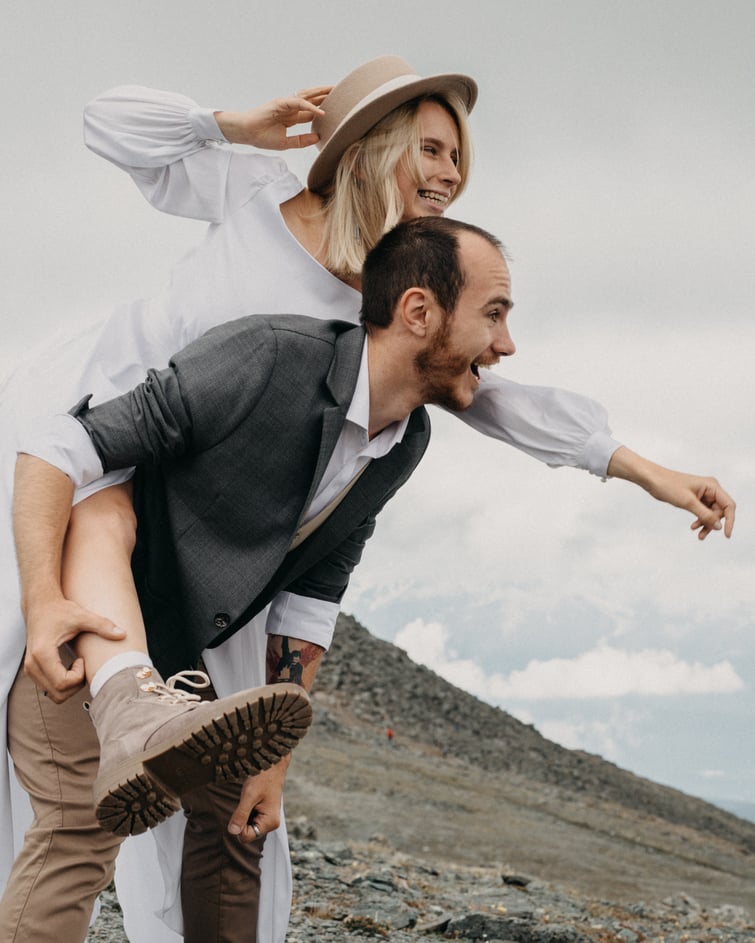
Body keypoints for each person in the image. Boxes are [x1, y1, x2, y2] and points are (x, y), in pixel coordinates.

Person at [0, 55, 734, 943]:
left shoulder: (384, 309)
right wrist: (233, 123)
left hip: (217, 520)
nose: (449, 171)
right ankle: (117, 718)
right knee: (69, 770)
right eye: (429, 146)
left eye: (459, 158)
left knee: (233, 807)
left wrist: (639, 468)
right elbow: (107, 123)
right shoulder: (258, 192)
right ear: (367, 143)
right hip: (101, 437)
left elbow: (475, 389)